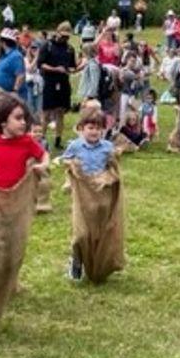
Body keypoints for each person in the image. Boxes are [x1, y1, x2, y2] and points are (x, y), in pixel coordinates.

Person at [60, 104, 117, 280]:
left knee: (99, 232)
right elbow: (64, 160)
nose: (94, 132)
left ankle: (97, 264)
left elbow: (112, 166)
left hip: (100, 194)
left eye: (98, 128)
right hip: (82, 195)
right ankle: (76, 261)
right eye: (90, 128)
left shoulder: (107, 147)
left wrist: (114, 163)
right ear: (81, 129)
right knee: (81, 233)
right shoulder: (75, 146)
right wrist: (71, 167)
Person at [39, 22, 77, 149]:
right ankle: (41, 139)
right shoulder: (47, 46)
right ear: (57, 32)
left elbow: (72, 66)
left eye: (67, 36)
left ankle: (58, 139)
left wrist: (72, 69)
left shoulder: (70, 49)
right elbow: (41, 64)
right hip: (50, 82)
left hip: (64, 82)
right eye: (63, 36)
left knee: (60, 111)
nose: (65, 39)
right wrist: (56, 69)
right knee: (46, 112)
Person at [0, 27, 28, 102]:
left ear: (3, 42)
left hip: (12, 97)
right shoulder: (5, 55)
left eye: (0, 41)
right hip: (4, 96)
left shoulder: (16, 56)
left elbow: (20, 75)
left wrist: (15, 91)